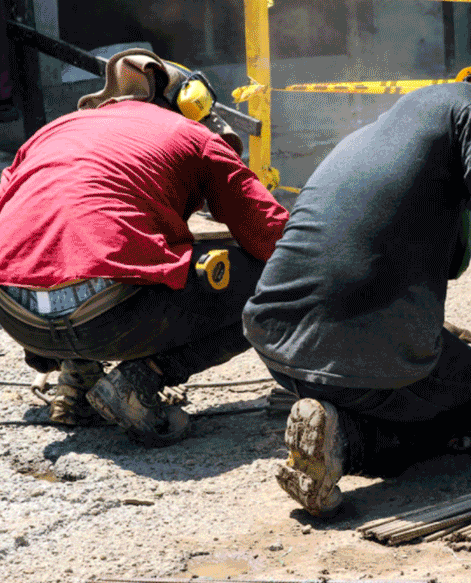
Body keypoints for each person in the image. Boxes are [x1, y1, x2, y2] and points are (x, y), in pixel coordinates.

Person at [243, 65, 471, 518]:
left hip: (277, 343)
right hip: (356, 351)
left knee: (418, 373)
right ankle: (346, 443)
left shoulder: (386, 129)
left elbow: (446, 262)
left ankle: (329, 423)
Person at [0, 48, 289, 447]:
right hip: (110, 319)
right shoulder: (194, 135)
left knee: (81, 249)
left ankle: (77, 377)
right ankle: (142, 378)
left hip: (21, 321)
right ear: (188, 105)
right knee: (268, 278)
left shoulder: (53, 131)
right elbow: (272, 237)